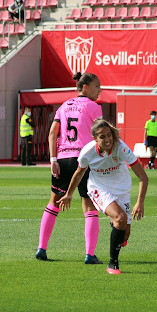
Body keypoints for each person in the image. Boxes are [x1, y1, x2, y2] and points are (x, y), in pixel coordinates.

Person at [57, 119, 148, 274]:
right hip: (99, 188)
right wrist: (68, 195)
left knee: (125, 234)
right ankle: (113, 264)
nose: (107, 140)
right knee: (120, 218)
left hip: (122, 190)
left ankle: (116, 226)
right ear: (95, 139)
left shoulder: (121, 148)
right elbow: (79, 174)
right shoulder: (87, 152)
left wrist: (140, 203)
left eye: (109, 135)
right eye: (102, 137)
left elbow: (143, 177)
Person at [37, 72, 104, 264]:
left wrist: (52, 159)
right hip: (83, 160)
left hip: (63, 159)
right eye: (97, 86)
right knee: (89, 206)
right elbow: (98, 135)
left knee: (53, 203)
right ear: (85, 87)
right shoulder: (94, 107)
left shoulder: (64, 106)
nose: (99, 90)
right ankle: (89, 254)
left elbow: (52, 133)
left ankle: (41, 248)